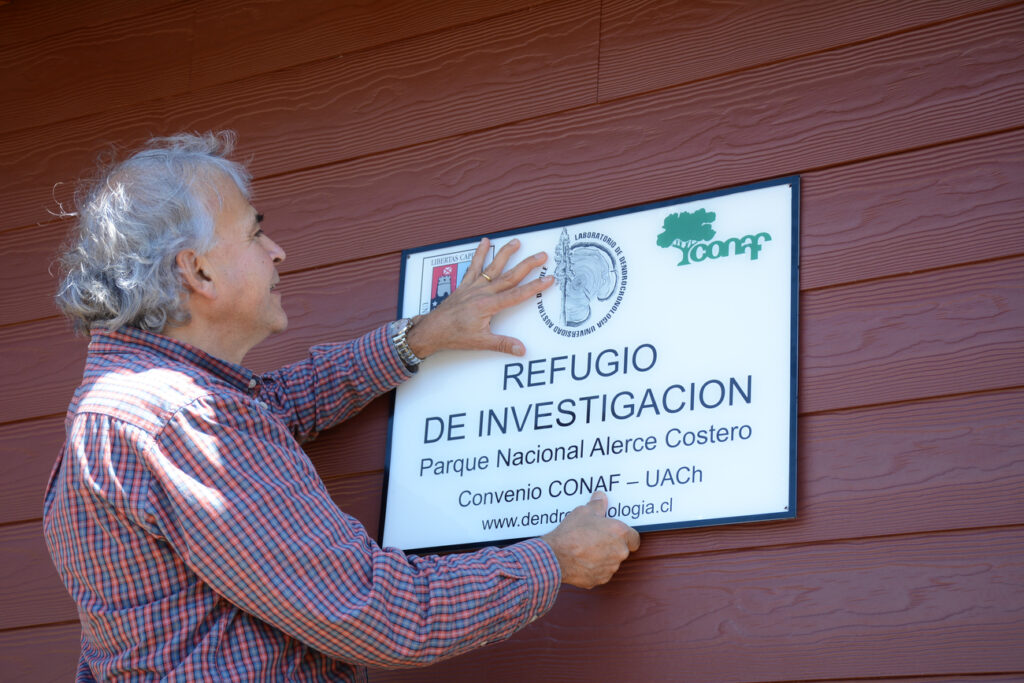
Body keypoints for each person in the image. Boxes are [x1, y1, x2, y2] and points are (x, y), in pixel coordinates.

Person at [43, 132, 640, 681]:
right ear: (197, 271)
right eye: (254, 233)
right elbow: (372, 612)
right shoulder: (181, 421)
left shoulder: (134, 408)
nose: (276, 251)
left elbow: (279, 406)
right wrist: (551, 561)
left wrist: (422, 336)